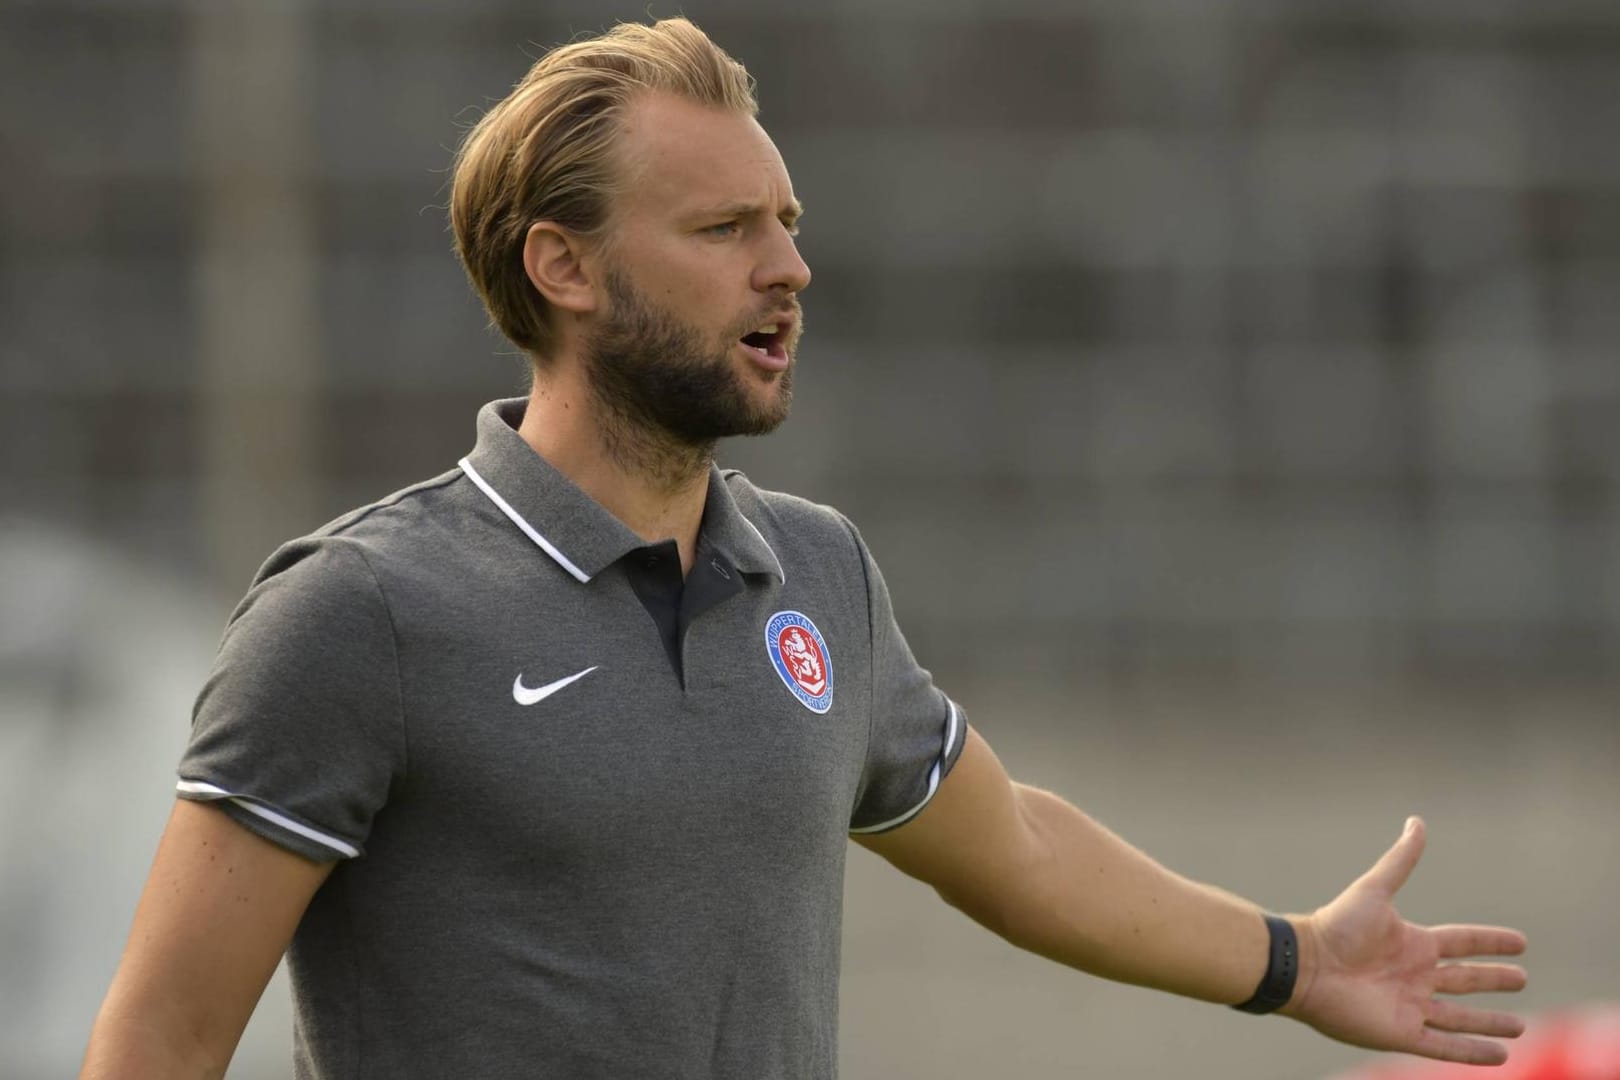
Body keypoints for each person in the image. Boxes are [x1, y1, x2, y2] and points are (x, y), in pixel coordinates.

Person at [81, 17, 1528, 1080]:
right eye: (724, 228)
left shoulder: (818, 577)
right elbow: (157, 1039)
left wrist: (1294, 960)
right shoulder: (361, 615)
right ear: (563, 267)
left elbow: (1014, 847)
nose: (789, 268)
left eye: (788, 222)